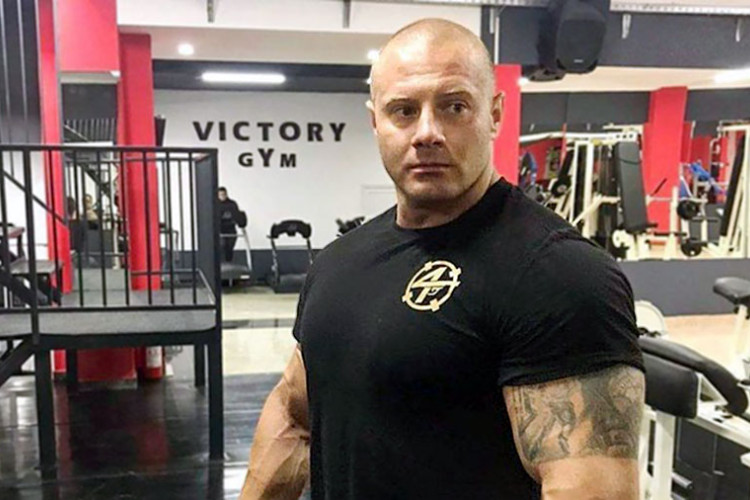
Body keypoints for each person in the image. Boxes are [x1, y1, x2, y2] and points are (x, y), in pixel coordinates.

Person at [240, 18, 645, 500]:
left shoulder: (561, 276)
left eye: (454, 106)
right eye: (404, 111)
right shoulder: (336, 264)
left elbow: (591, 491)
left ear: (494, 113)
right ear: (375, 121)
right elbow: (293, 417)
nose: (427, 132)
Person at [218, 187, 246, 262]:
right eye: (221, 195)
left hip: (231, 228)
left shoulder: (232, 204)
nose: (222, 196)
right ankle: (221, 262)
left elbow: (237, 215)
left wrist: (240, 222)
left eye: (224, 194)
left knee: (230, 245)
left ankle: (228, 260)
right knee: (222, 244)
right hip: (219, 229)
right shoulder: (215, 204)